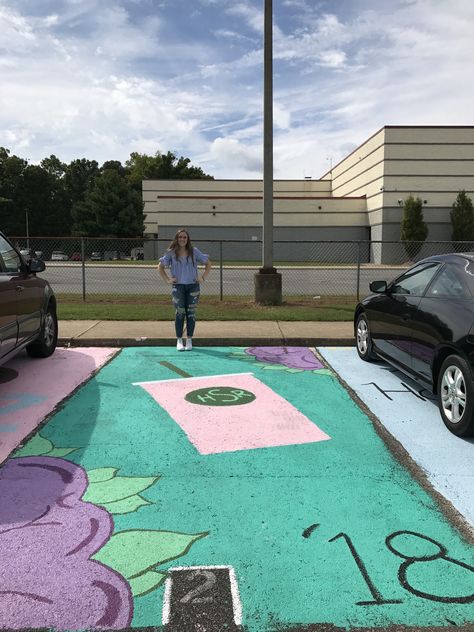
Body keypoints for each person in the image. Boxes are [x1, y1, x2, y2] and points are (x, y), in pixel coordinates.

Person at [158, 229, 211, 351]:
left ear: (188, 239)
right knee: (180, 312)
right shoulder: (171, 253)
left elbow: (208, 264)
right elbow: (160, 267)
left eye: (185, 237)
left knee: (191, 313)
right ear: (177, 238)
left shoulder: (194, 251)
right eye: (180, 237)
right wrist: (167, 280)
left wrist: (202, 277)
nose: (182, 239)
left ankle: (189, 339)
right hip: (178, 287)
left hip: (193, 286)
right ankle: (179, 340)